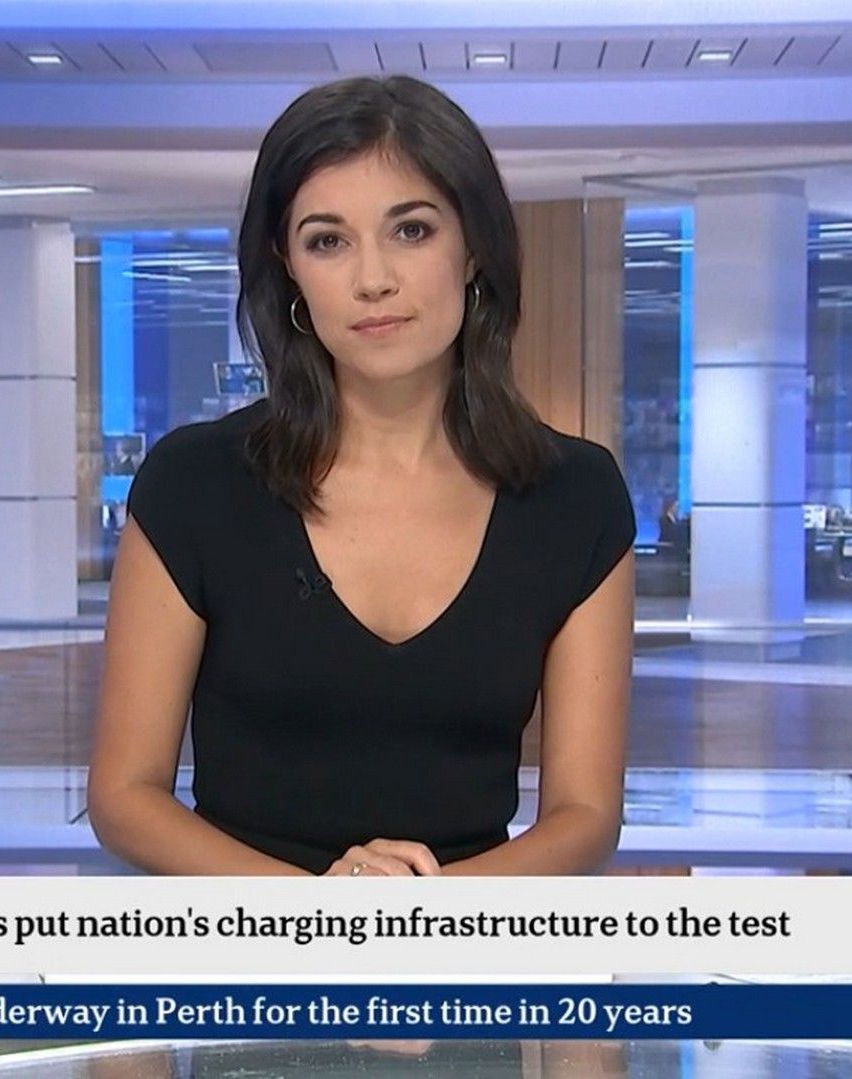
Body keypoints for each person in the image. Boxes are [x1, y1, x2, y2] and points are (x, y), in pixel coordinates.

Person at [87, 76, 634, 879]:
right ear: (288, 269)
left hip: (471, 935)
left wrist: (422, 912)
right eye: (327, 241)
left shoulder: (575, 497)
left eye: (411, 230)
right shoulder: (194, 483)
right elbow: (124, 795)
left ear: (474, 247)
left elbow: (585, 816)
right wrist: (323, 908)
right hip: (245, 935)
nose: (373, 279)